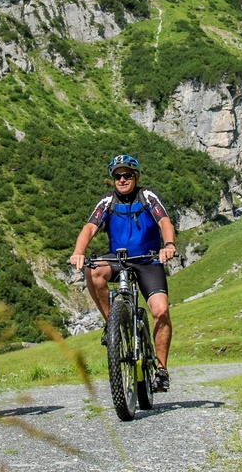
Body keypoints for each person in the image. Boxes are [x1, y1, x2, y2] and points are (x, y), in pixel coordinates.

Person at [69, 154, 177, 392]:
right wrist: (79, 252)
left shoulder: (147, 196)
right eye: (117, 176)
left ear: (136, 176)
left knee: (161, 311)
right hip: (118, 259)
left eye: (127, 174)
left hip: (148, 258)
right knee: (93, 270)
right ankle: (113, 324)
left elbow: (164, 221)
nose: (122, 179)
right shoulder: (107, 201)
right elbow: (90, 227)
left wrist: (168, 245)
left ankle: (161, 369)